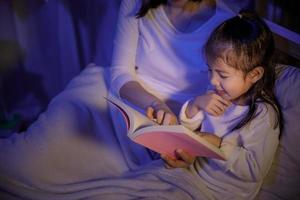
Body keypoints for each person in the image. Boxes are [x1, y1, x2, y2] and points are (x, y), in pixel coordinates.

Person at [161, 10, 282, 199]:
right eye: (210, 70)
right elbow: (187, 131)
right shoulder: (217, 92)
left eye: (223, 75)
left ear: (254, 75)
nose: (213, 80)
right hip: (192, 174)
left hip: (221, 192)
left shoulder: (263, 115)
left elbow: (254, 169)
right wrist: (195, 105)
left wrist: (216, 143)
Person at [109, 0, 234, 167]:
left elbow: (218, 100)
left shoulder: (227, 23)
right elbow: (120, 73)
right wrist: (157, 105)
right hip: (131, 100)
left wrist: (186, 130)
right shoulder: (136, 3)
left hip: (186, 119)